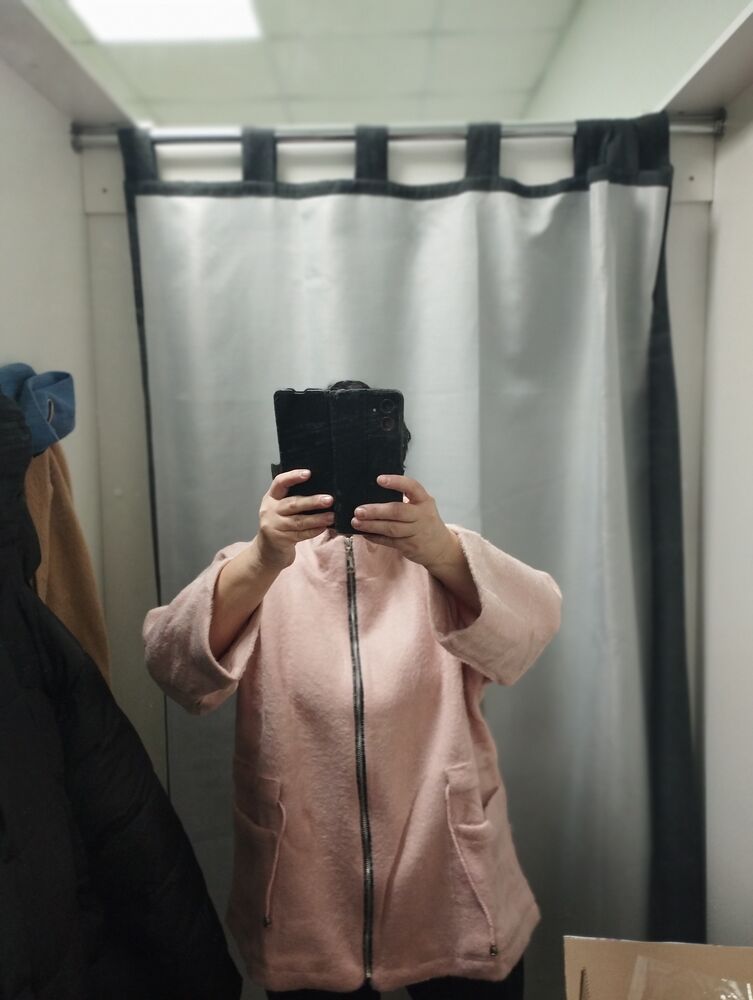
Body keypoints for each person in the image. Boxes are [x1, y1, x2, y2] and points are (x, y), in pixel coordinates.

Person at [143, 381, 562, 999]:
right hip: (304, 891)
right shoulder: (259, 568)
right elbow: (172, 667)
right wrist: (262, 557)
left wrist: (442, 550)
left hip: (449, 879)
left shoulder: (441, 558)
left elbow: (534, 627)